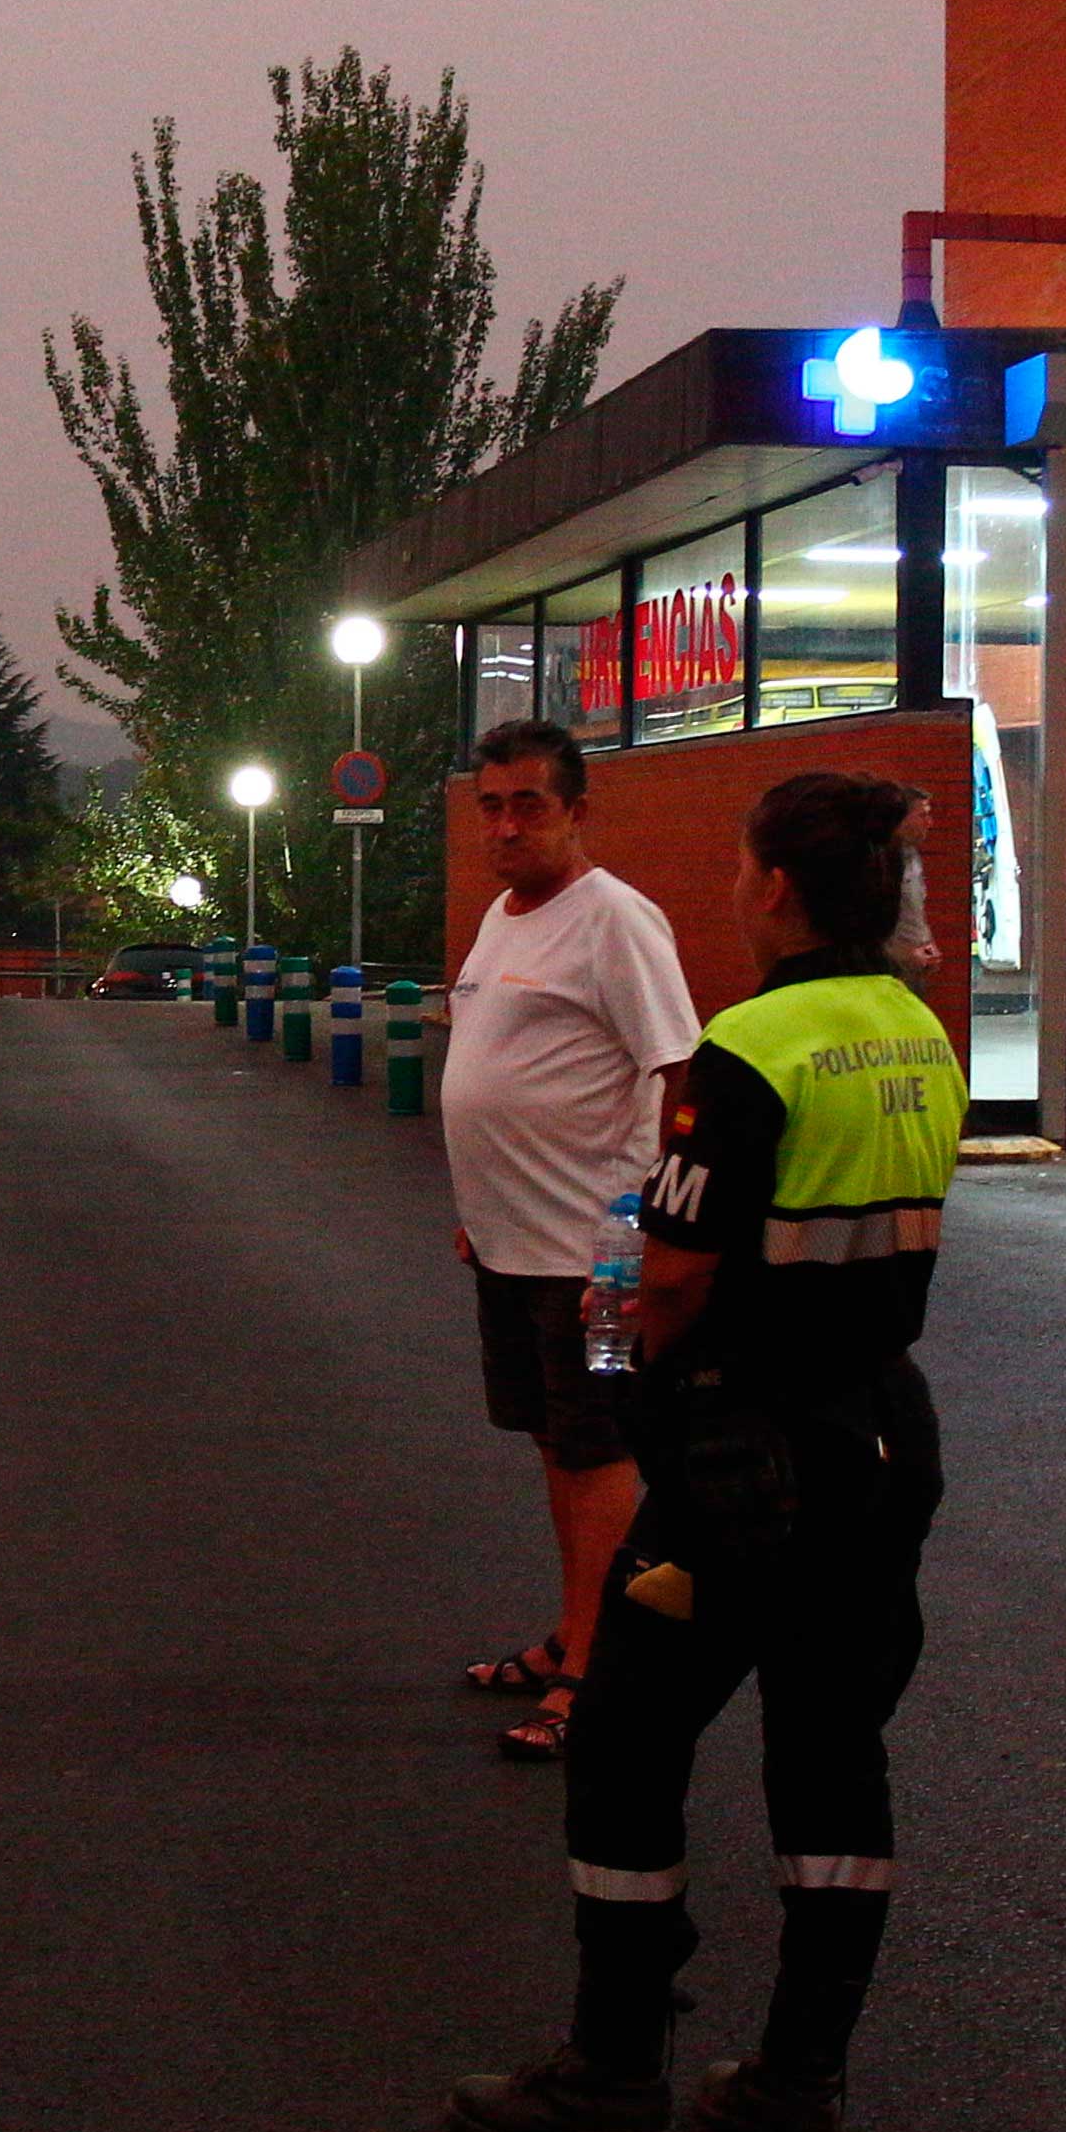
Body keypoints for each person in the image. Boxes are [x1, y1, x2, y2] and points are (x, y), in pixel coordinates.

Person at [450, 768, 961, 2132]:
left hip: (745, 1457)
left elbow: (668, 1273)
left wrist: (619, 1372)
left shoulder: (750, 1048)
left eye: (742, 868)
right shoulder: (913, 1032)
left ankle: (612, 2069)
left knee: (621, 1743)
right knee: (828, 1755)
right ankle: (798, 2080)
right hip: (878, 1437)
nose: (734, 889)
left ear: (776, 888)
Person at [434, 718, 699, 1762]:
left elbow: (677, 1073)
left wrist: (640, 1229)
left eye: (528, 804)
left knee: (600, 1451)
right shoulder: (505, 915)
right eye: (491, 805)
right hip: (512, 1248)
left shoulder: (616, 920)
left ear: (577, 810)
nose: (505, 824)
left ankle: (594, 1665)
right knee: (557, 1441)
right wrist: (481, 1208)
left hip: (600, 1254)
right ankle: (572, 1631)